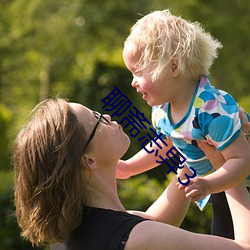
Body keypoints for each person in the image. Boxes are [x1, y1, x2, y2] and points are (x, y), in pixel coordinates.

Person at [13, 98, 250, 250]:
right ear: (88, 160)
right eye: (97, 120)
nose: (106, 116)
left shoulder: (72, 234)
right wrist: (226, 165)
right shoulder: (138, 238)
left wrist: (191, 141)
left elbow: (155, 221)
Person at [120, 9, 250, 239]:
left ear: (173, 67)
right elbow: (168, 141)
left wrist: (209, 184)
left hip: (239, 186)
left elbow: (242, 160)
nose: (133, 82)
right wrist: (130, 167)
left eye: (138, 72)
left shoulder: (210, 109)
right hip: (220, 189)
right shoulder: (162, 109)